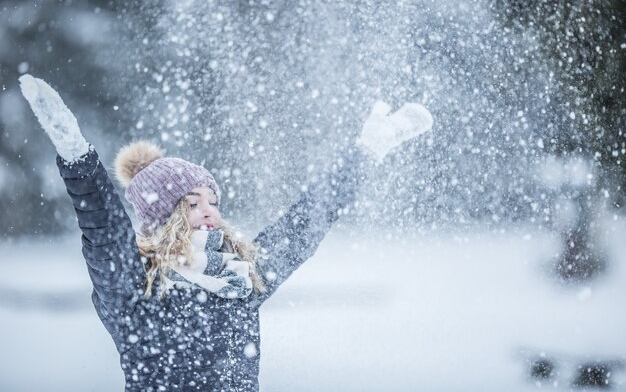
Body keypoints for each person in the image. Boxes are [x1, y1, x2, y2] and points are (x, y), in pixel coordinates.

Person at [19, 74, 433, 392]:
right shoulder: (134, 287)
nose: (210, 212)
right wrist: (78, 158)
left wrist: (366, 151)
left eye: (213, 202)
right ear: (165, 218)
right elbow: (104, 231)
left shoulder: (240, 277)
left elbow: (304, 223)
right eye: (193, 203)